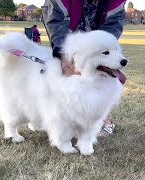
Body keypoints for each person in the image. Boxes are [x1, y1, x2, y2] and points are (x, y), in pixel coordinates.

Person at [42, 0, 126, 137]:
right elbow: (55, 22)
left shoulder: (115, 2)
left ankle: (103, 118)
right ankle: (67, 119)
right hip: (69, 37)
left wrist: (104, 50)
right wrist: (63, 54)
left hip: (99, 37)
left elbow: (112, 28)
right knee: (67, 75)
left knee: (102, 75)